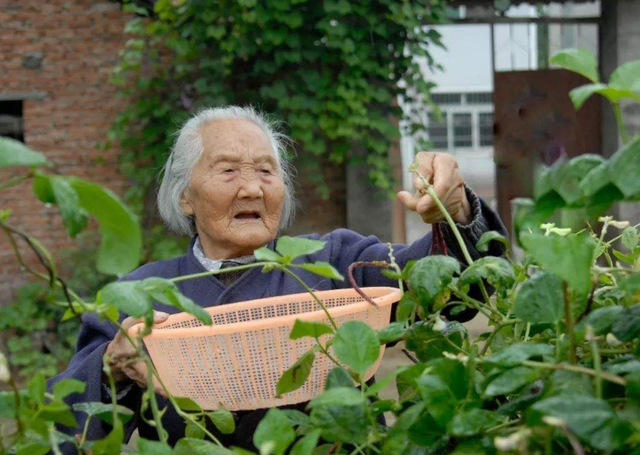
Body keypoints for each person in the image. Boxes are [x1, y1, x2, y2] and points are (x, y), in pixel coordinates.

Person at [49, 106, 506, 452]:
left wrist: (456, 211)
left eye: (267, 171)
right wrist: (111, 367)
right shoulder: (142, 296)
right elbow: (68, 433)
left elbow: (454, 291)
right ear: (185, 197)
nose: (252, 188)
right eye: (228, 170)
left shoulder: (331, 261)